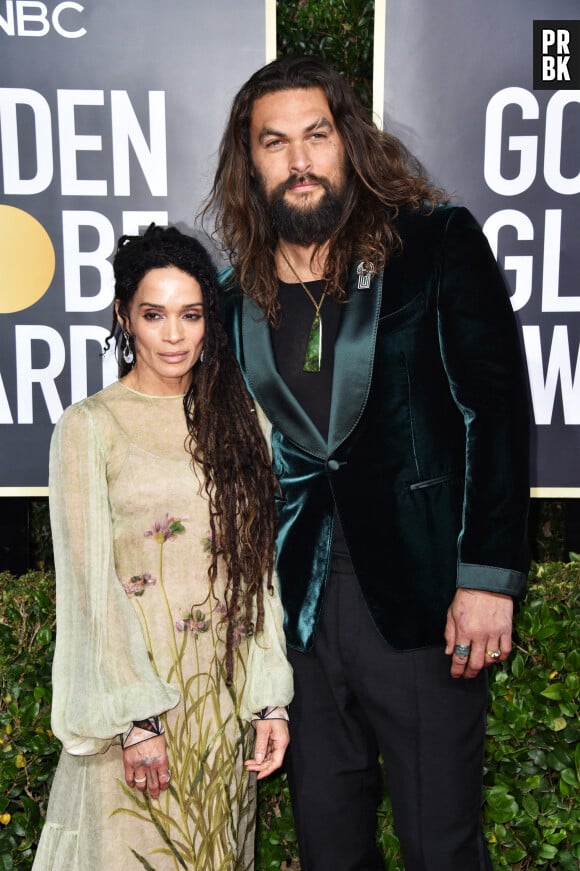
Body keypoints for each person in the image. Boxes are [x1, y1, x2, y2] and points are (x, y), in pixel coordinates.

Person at [205, 55, 530, 871]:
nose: (299, 159)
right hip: (299, 615)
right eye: (274, 143)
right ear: (251, 163)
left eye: (316, 135)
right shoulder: (233, 294)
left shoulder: (434, 242)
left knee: (440, 844)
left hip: (422, 601)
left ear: (349, 141)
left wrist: (488, 575)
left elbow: (493, 410)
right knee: (329, 845)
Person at [32, 225, 293, 871]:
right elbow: (89, 588)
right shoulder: (91, 426)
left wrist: (269, 698)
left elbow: (258, 573)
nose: (174, 335)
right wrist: (138, 720)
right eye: (154, 314)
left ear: (210, 320)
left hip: (223, 712)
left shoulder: (242, 421)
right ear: (126, 316)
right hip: (137, 715)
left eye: (190, 314)